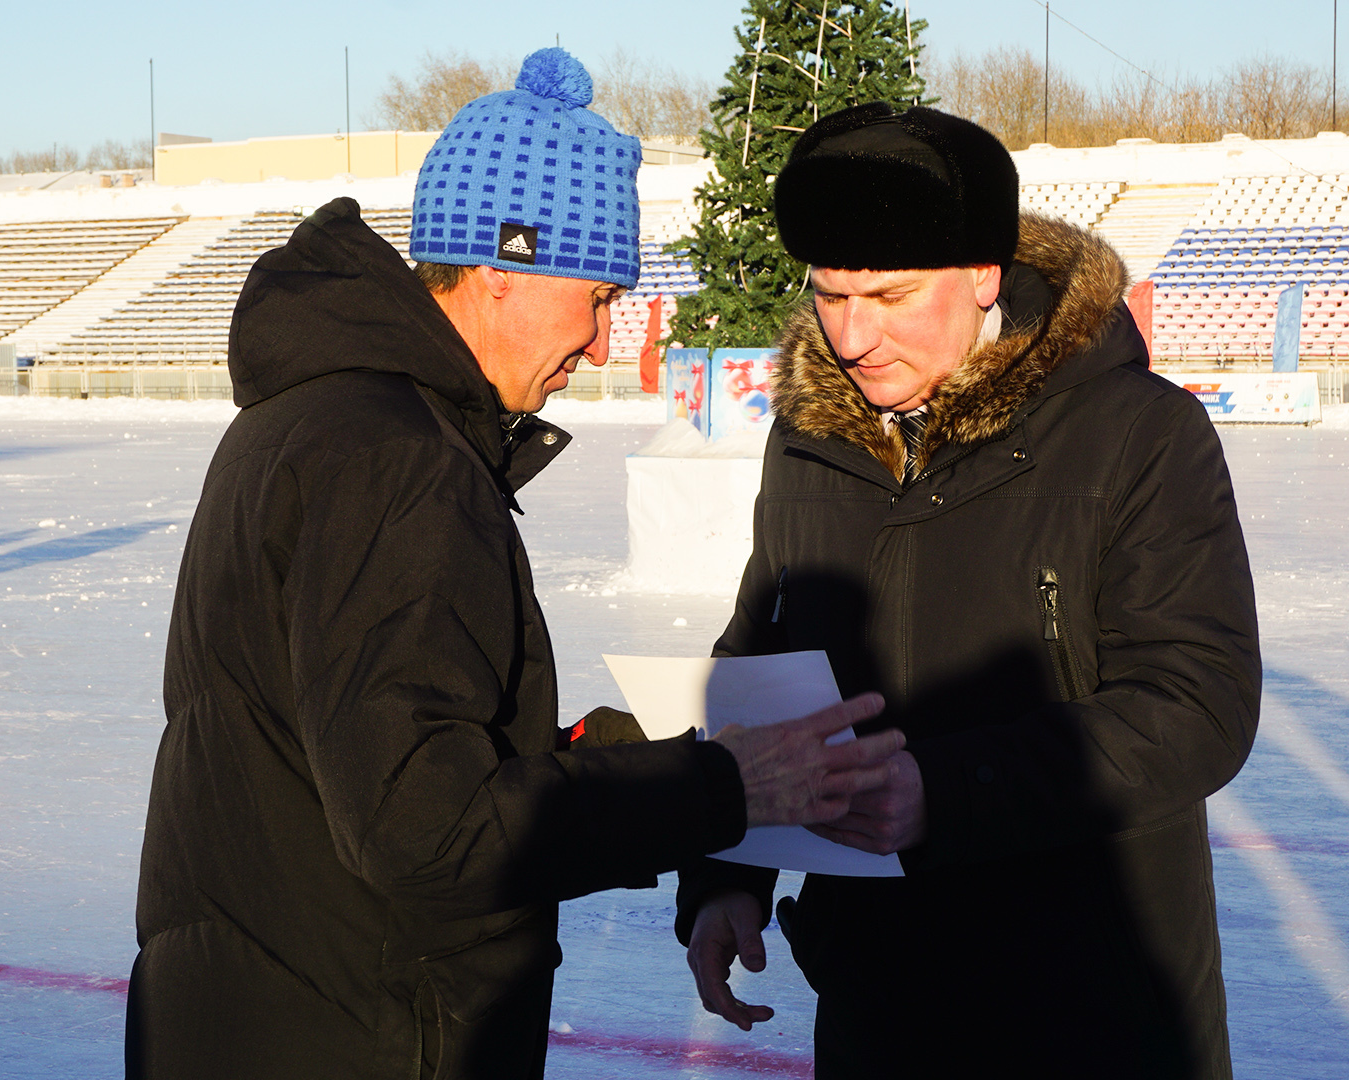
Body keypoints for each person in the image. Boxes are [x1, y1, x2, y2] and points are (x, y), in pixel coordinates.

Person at [126, 50, 903, 1080]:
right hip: (361, 1028)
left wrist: (592, 755)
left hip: (261, 1008)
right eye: (595, 295)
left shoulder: (316, 417)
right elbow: (429, 831)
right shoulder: (400, 462)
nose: (598, 341)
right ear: (503, 268)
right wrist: (724, 788)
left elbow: (357, 743)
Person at [676, 103, 1262, 1079]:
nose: (853, 336)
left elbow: (1197, 703)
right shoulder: (809, 439)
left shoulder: (1136, 437)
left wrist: (941, 794)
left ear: (983, 275)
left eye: (892, 296)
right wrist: (727, 871)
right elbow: (764, 663)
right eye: (830, 293)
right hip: (880, 1007)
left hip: (1089, 1012)